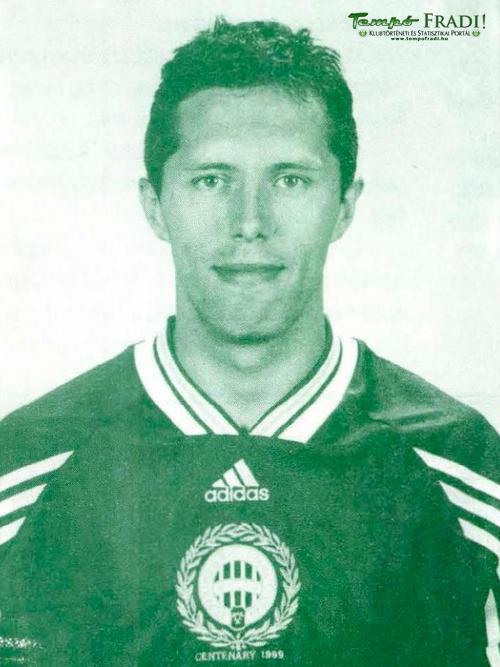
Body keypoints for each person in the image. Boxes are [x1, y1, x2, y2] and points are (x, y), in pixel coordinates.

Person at [0, 17, 499, 667]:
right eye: (212, 179)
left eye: (290, 179)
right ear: (155, 204)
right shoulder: (23, 468)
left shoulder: (463, 466)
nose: (250, 222)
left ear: (345, 205)